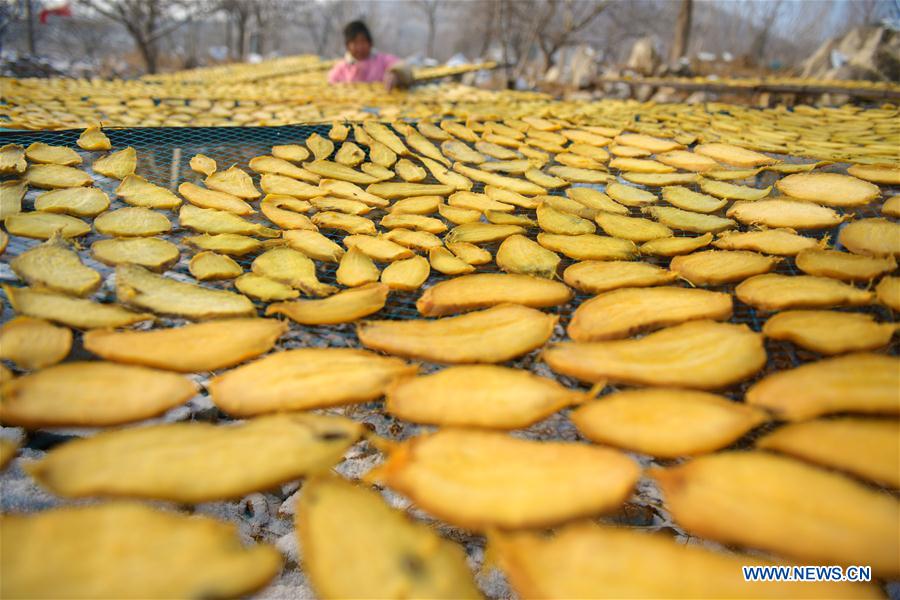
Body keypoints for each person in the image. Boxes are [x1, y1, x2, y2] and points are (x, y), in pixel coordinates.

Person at [328, 20, 411, 90]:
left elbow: (404, 66)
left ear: (370, 42)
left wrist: (396, 73)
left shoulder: (383, 60)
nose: (360, 47)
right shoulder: (340, 69)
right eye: (355, 43)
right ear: (348, 46)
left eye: (363, 41)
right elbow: (331, 85)